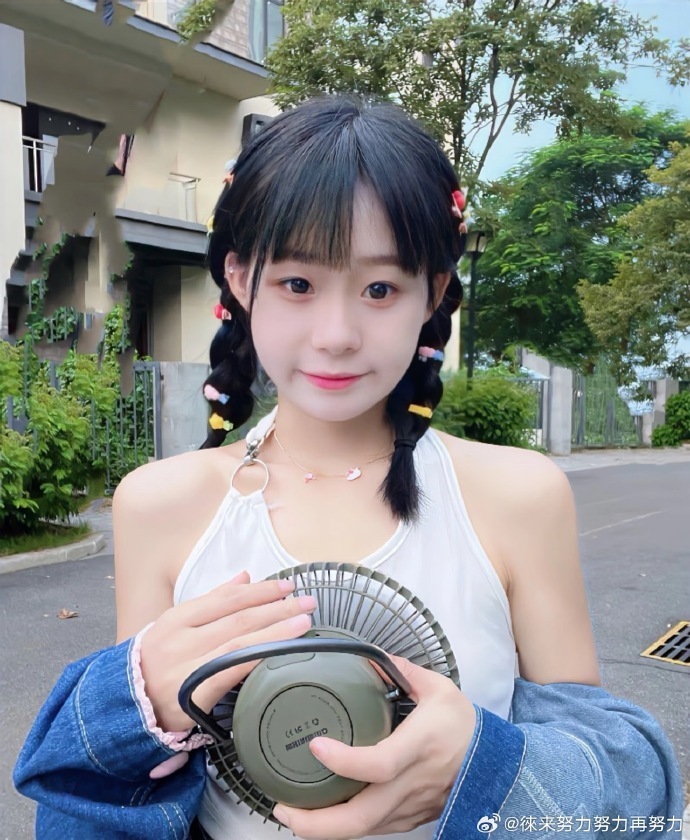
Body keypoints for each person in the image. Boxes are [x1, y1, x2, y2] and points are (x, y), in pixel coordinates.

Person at [14, 96, 682, 840]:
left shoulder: (518, 497)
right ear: (240, 280)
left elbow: (608, 771)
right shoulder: (159, 505)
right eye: (298, 284)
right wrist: (139, 706)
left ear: (432, 293)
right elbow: (124, 793)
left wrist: (482, 764)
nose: (336, 335)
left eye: (379, 289)